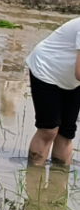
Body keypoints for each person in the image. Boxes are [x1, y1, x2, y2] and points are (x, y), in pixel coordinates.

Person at [26, 17, 80, 166]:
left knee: (66, 133)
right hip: (47, 69)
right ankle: (34, 177)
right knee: (49, 129)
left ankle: (59, 182)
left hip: (71, 80)